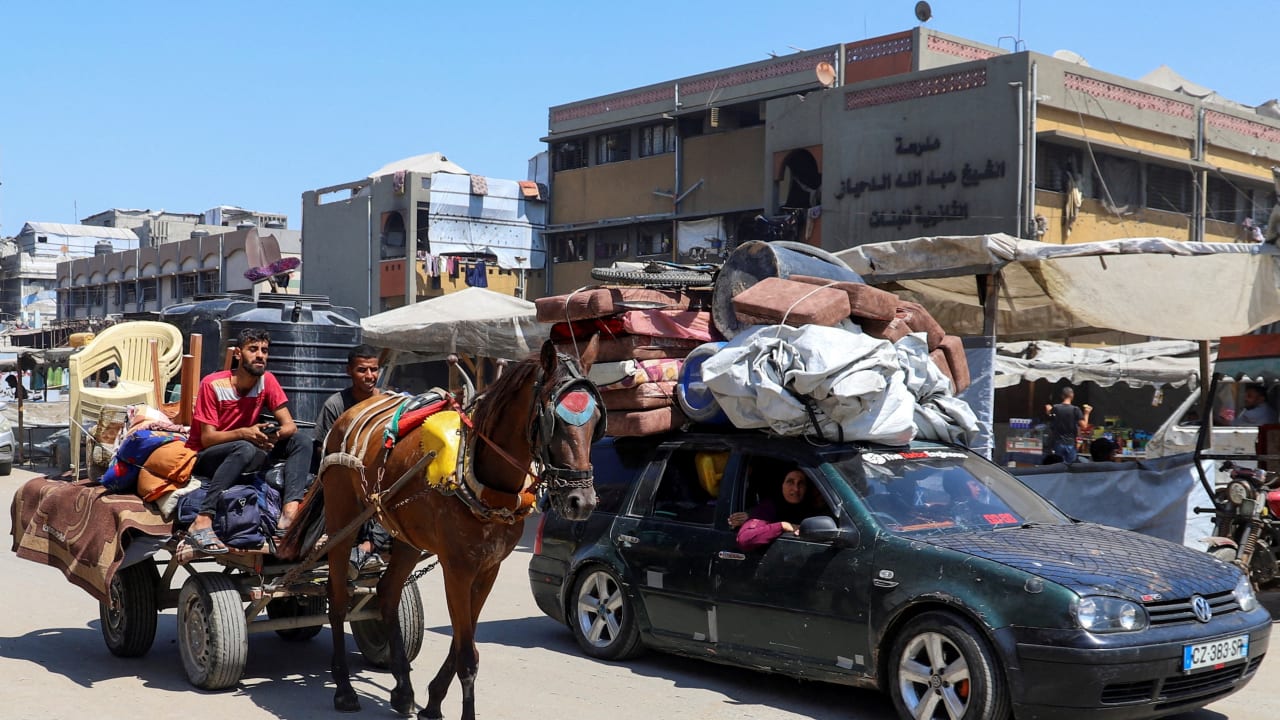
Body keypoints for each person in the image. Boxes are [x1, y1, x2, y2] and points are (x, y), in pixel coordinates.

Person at [184, 328, 313, 554]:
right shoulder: (213, 384)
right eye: (253, 349)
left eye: (264, 350)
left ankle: (289, 514)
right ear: (237, 354)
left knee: (301, 440)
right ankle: (203, 519)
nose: (260, 355)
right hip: (207, 456)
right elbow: (207, 438)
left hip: (248, 448)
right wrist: (245, 433)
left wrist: (272, 435)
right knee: (244, 448)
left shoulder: (267, 381)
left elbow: (290, 426)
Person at [314, 344, 390, 574]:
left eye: (374, 370)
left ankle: (367, 547)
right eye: (362, 370)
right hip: (345, 479)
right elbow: (322, 450)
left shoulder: (389, 402)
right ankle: (362, 546)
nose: (370, 376)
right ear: (349, 371)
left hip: (382, 478)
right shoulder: (336, 405)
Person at [734, 468, 814, 551]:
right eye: (790, 482)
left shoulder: (813, 506)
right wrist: (783, 526)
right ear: (781, 484)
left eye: (801, 483)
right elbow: (744, 539)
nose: (796, 489)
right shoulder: (769, 507)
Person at [1044, 386, 1092, 463]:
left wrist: (1048, 409)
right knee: (1071, 467)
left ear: (1062, 396)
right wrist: (1087, 413)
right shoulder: (1075, 409)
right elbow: (1084, 426)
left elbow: (1049, 412)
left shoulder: (1056, 408)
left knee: (1058, 465)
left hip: (1058, 442)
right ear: (1072, 396)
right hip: (1071, 443)